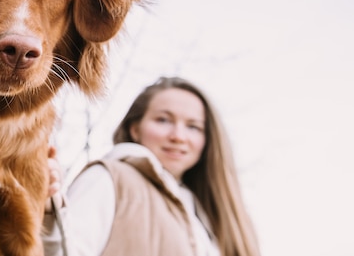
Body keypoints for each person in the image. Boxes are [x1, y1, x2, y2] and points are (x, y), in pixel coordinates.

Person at [42, 76, 261, 256]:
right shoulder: (110, 178)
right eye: (163, 120)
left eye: (193, 127)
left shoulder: (205, 212)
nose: (178, 136)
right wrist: (51, 212)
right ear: (135, 129)